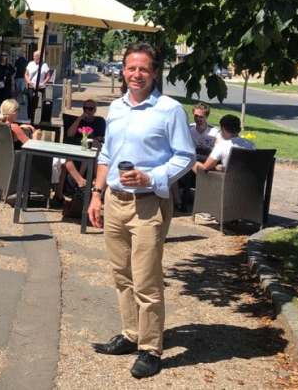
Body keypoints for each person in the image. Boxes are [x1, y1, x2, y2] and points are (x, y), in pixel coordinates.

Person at [88, 43, 195, 379]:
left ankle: (150, 349)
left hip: (149, 204)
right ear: (123, 70)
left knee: (146, 280)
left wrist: (151, 176)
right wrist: (96, 194)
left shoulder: (170, 109)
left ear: (154, 72)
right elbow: (106, 153)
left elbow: (186, 156)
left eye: (143, 69)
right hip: (115, 201)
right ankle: (131, 334)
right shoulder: (116, 107)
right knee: (122, 276)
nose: (137, 75)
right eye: (131, 69)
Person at [53, 99, 106, 206]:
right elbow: (69, 134)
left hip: (93, 149)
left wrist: (98, 139)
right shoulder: (79, 121)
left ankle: (81, 179)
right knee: (65, 157)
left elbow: (103, 137)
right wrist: (80, 118)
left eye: (90, 108)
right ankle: (85, 182)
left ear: (95, 110)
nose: (87, 111)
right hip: (78, 148)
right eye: (85, 108)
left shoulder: (99, 121)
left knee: (94, 145)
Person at [171, 102, 220, 210]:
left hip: (206, 159)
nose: (198, 119)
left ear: (206, 116)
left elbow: (218, 149)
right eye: (196, 116)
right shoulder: (189, 129)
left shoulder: (214, 132)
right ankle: (178, 201)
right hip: (189, 158)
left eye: (201, 116)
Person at [25, 50, 52, 122]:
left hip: (40, 87)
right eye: (33, 56)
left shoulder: (44, 65)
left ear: (39, 57)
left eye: (36, 56)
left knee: (37, 103)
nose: (34, 57)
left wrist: (42, 83)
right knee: (30, 102)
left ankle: (37, 117)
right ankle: (30, 118)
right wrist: (28, 82)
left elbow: (48, 76)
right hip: (31, 86)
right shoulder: (30, 64)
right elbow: (26, 74)